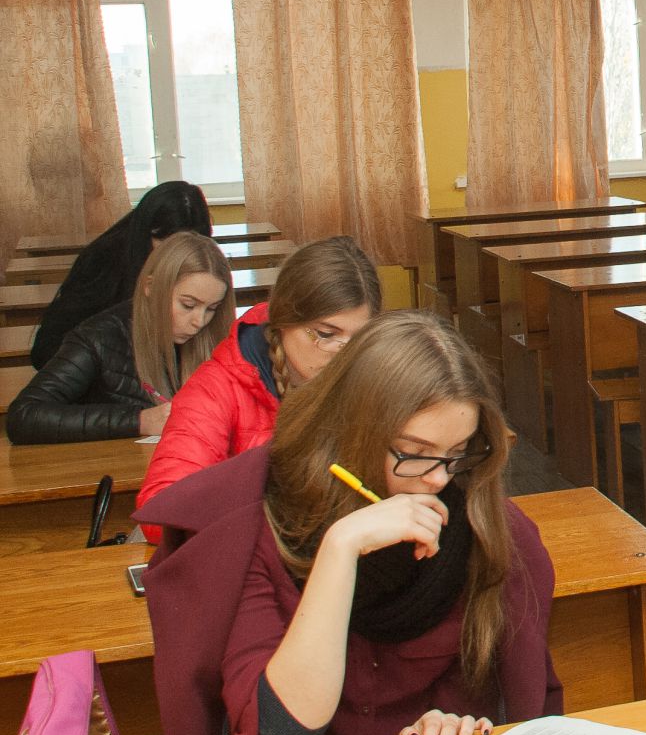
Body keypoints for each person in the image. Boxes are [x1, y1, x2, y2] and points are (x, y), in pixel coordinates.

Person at [137, 310, 561, 735]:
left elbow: (499, 706)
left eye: (457, 453)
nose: (439, 480)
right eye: (413, 452)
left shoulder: (485, 523)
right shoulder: (260, 519)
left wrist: (454, 723)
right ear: (349, 431)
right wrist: (340, 548)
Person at [137, 236, 381, 525]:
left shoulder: (376, 378)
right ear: (284, 319)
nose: (344, 355)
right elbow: (163, 509)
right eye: (326, 335)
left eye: (360, 339)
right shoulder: (215, 388)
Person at [8, 232, 233, 445]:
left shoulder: (215, 337)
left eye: (211, 308)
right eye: (188, 305)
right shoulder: (97, 339)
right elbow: (24, 416)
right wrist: (139, 420)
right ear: (151, 287)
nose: (199, 321)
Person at [29, 181, 212, 368]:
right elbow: (48, 347)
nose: (175, 255)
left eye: (185, 247)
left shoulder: (198, 265)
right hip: (99, 372)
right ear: (147, 231)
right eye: (165, 243)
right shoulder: (105, 259)